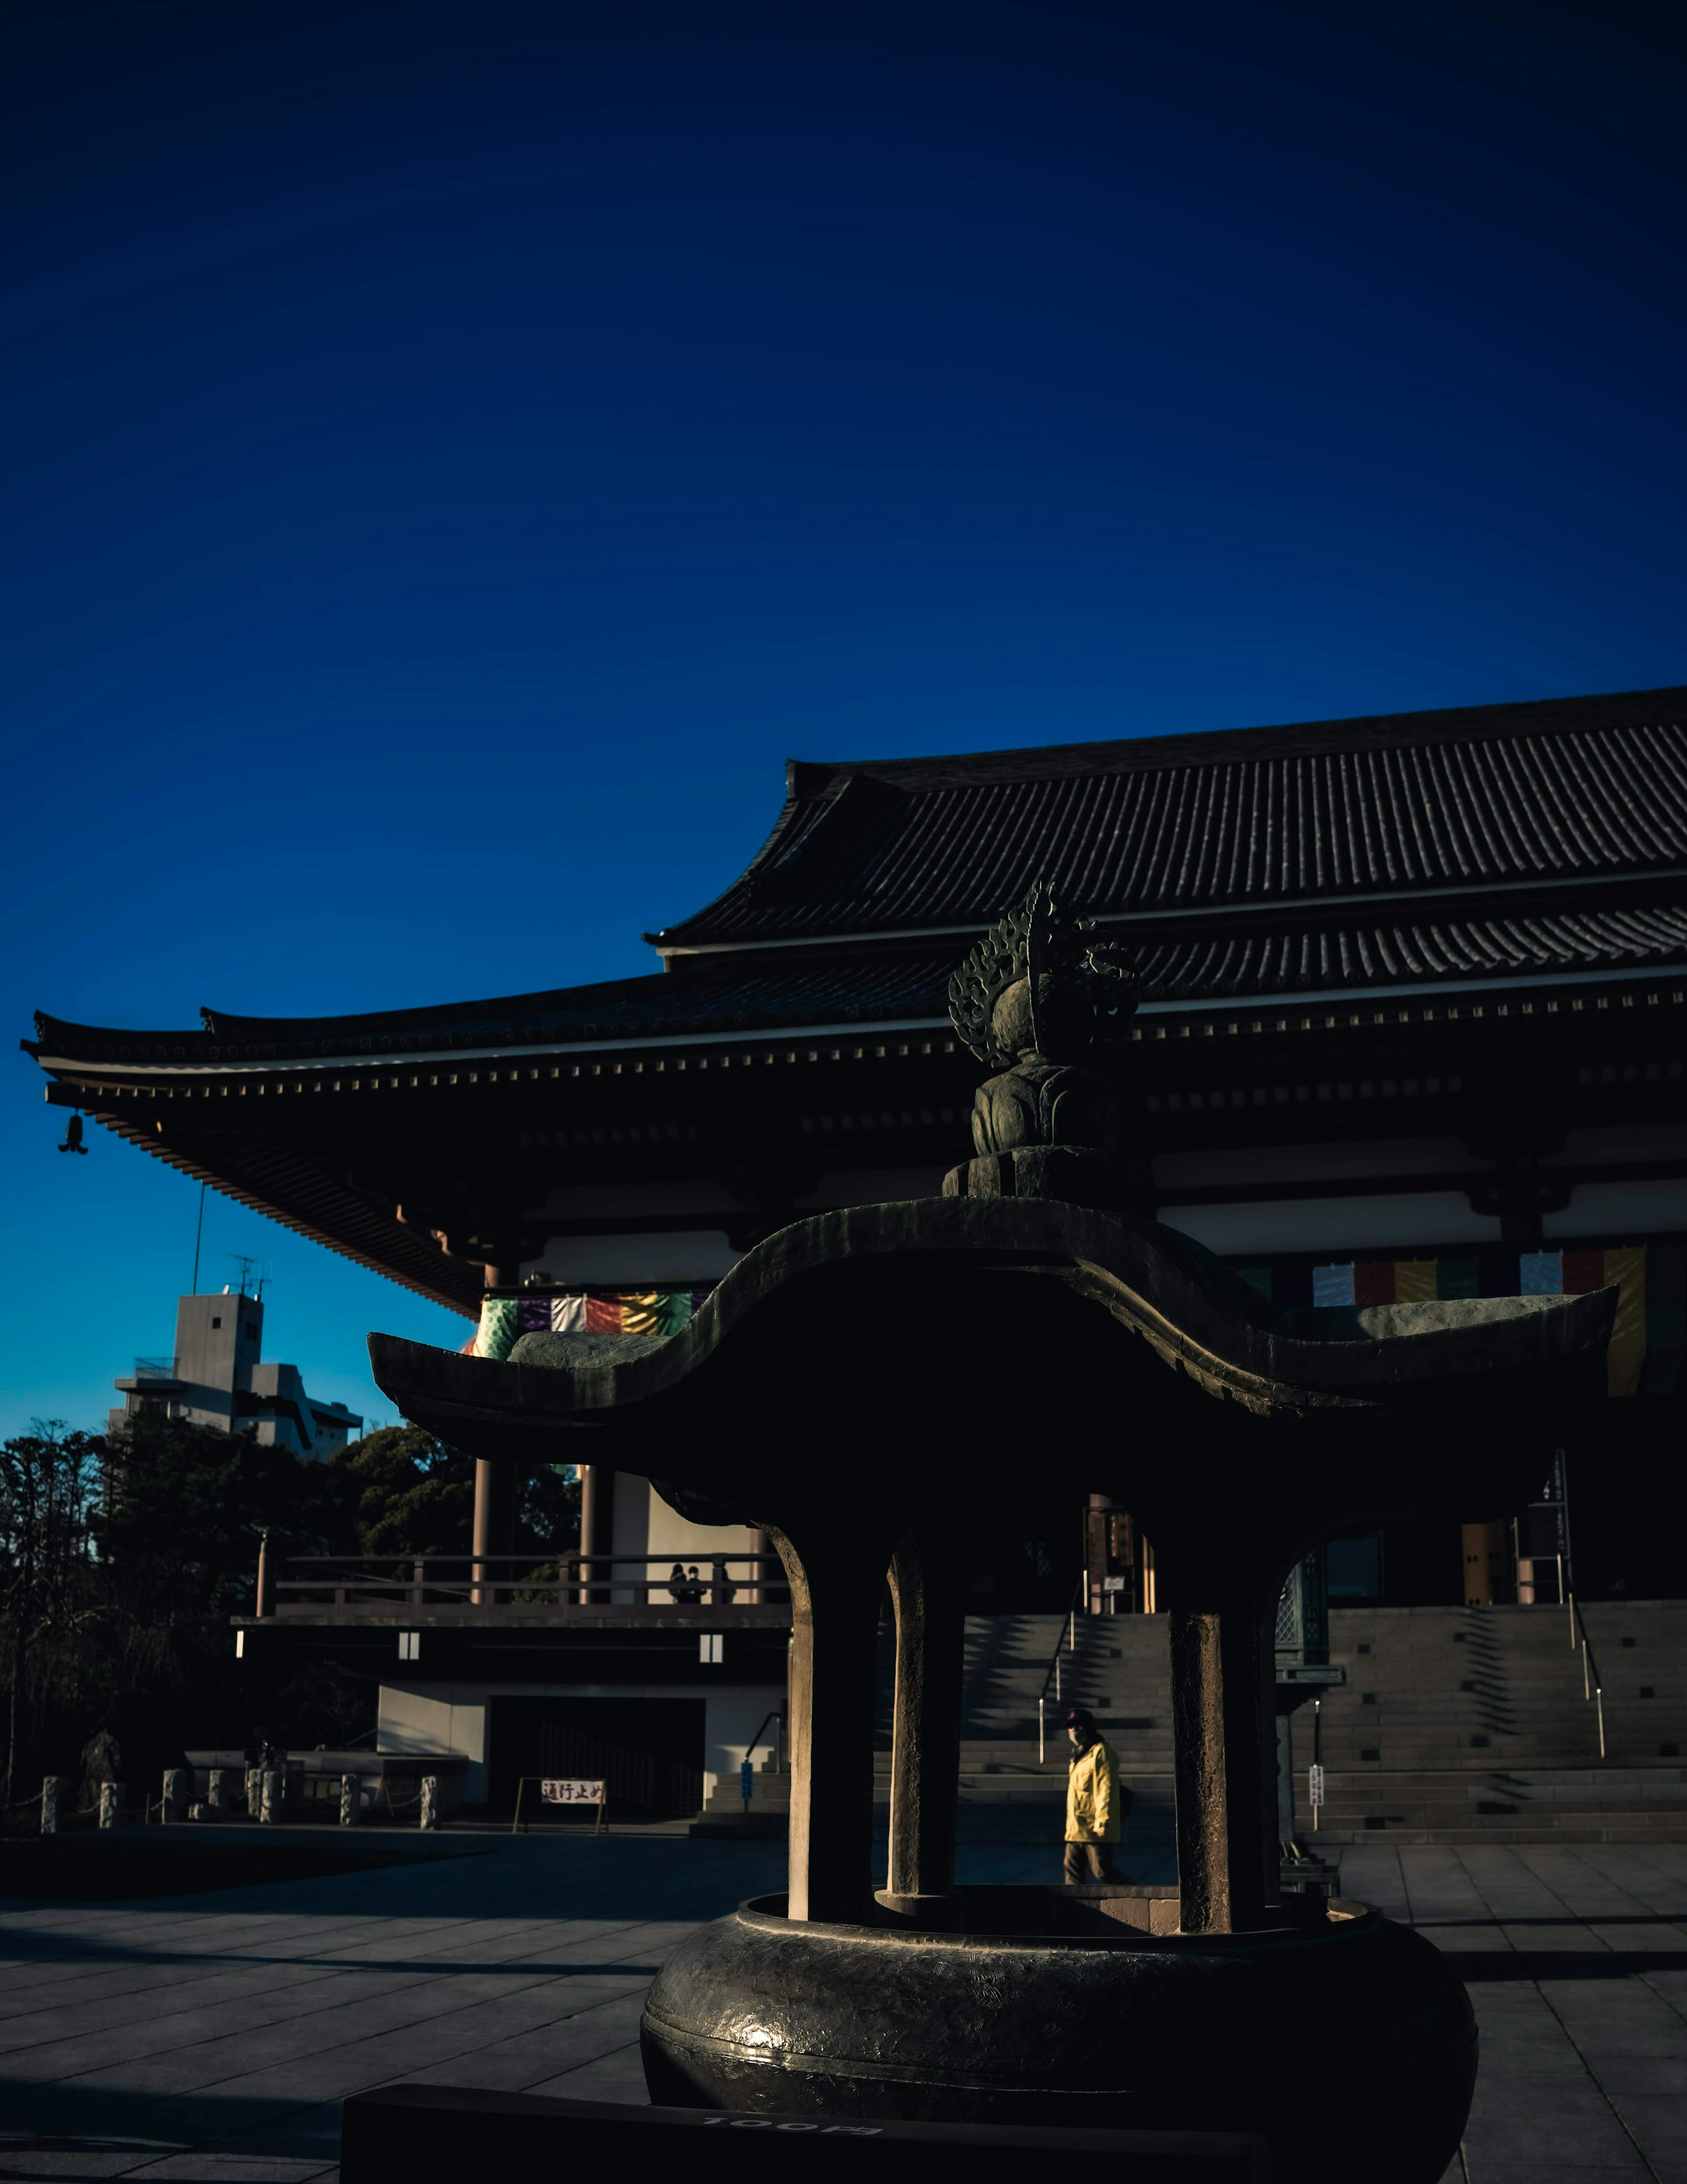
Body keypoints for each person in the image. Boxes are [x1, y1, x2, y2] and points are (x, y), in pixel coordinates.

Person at [1062, 1705, 1131, 1884]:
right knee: (1072, 1871)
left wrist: (1103, 1822)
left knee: (1102, 1871)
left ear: (1089, 1727)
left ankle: (1136, 1894)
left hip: (1094, 1827)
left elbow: (1106, 1790)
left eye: (1079, 1725)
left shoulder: (1101, 1752)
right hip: (1076, 1827)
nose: (1074, 1729)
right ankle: (1074, 1908)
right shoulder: (1078, 1755)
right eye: (1071, 1726)